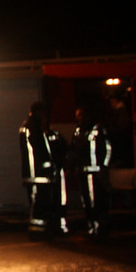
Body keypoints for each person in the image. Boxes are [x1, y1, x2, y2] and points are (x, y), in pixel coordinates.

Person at [19, 102, 65, 238]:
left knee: (39, 203)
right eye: (43, 113)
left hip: (36, 175)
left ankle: (40, 230)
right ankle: (37, 231)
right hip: (38, 175)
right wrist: (48, 166)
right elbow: (41, 151)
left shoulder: (29, 127)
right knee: (39, 203)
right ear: (38, 112)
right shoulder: (34, 128)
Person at [71, 106, 113, 238]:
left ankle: (100, 227)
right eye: (78, 116)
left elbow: (108, 148)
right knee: (87, 202)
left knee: (97, 201)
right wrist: (72, 167)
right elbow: (74, 151)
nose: (79, 118)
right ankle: (92, 226)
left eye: (81, 115)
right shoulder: (78, 132)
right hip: (82, 173)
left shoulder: (98, 130)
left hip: (96, 173)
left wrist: (104, 167)